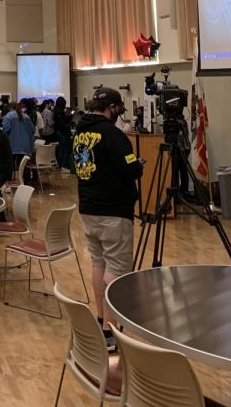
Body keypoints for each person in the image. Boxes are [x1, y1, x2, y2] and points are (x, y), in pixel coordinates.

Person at [73, 87, 144, 350]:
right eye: (117, 110)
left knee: (98, 263)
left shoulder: (80, 132)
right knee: (117, 268)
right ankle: (111, 332)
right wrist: (138, 164)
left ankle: (101, 318)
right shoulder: (113, 134)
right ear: (112, 107)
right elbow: (131, 169)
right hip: (113, 211)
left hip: (89, 208)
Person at [2, 100, 35, 182]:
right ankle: (25, 183)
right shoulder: (26, 116)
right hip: (25, 146)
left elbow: (5, 129)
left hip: (12, 146)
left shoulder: (9, 116)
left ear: (9, 108)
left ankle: (9, 182)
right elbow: (33, 129)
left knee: (10, 165)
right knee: (24, 166)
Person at [54, 96, 72, 172]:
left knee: (61, 150)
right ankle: (63, 165)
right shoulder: (59, 111)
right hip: (63, 132)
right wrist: (71, 114)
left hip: (59, 131)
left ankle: (60, 165)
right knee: (65, 150)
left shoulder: (56, 110)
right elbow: (64, 122)